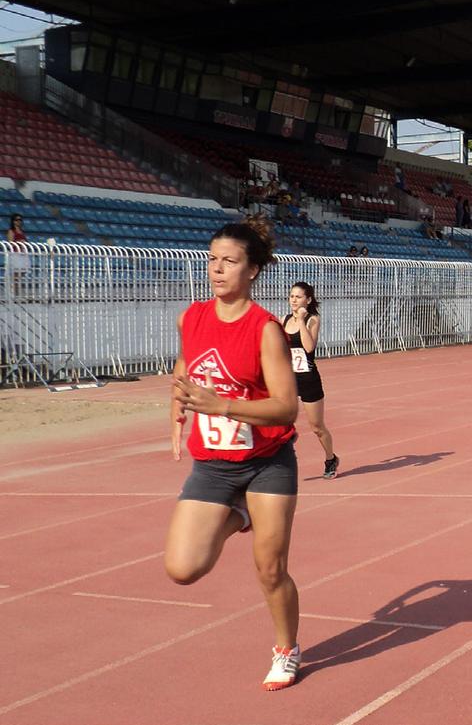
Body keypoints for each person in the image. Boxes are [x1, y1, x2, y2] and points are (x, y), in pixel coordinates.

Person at [167, 215, 303, 691]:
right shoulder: (192, 316)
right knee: (182, 569)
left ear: (253, 271)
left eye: (230, 261)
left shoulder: (265, 329)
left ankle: (286, 649)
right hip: (214, 465)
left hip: (267, 462)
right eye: (212, 260)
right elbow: (186, 367)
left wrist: (223, 404)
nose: (218, 269)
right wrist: (178, 407)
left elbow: (287, 408)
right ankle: (240, 515)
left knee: (270, 569)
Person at [282, 282, 339, 479]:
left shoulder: (312, 320)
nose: (294, 300)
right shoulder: (284, 320)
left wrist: (301, 320)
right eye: (291, 296)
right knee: (281, 421)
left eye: (298, 297)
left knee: (317, 426)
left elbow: (308, 348)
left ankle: (331, 458)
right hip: (288, 379)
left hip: (308, 379)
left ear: (308, 300)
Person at [6, 214, 29, 296]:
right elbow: (10, 243)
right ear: (13, 221)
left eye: (20, 220)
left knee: (21, 273)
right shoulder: (11, 231)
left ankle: (17, 292)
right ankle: (15, 293)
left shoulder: (22, 231)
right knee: (16, 275)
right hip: (16, 253)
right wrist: (19, 242)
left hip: (23, 253)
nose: (18, 221)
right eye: (16, 220)